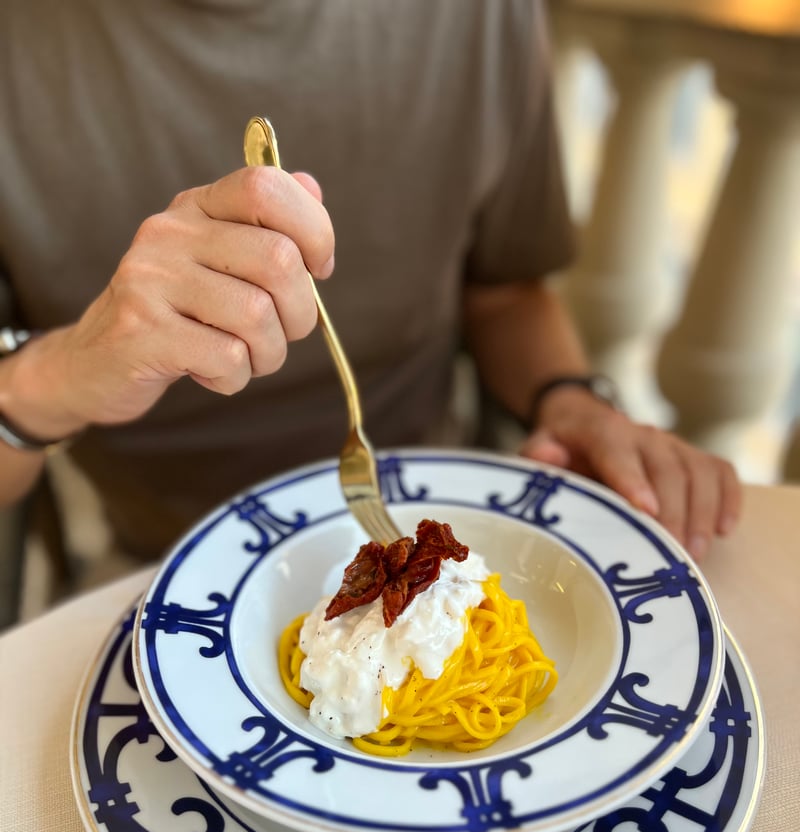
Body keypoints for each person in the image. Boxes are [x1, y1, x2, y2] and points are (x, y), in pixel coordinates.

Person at [0, 0, 739, 573]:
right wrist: (60, 374)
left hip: (435, 509)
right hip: (152, 560)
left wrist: (572, 401)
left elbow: (504, 293)